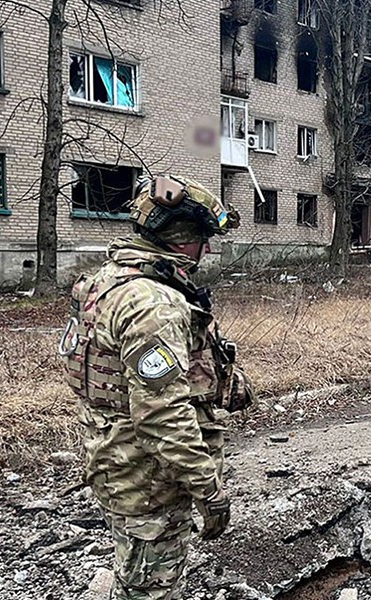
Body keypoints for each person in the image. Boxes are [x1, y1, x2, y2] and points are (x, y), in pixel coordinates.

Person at [60, 175, 253, 599]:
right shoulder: (153, 304)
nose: (206, 250)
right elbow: (161, 415)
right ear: (180, 239)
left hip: (117, 462)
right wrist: (208, 490)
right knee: (150, 590)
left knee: (137, 576)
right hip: (149, 480)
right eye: (201, 239)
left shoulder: (106, 280)